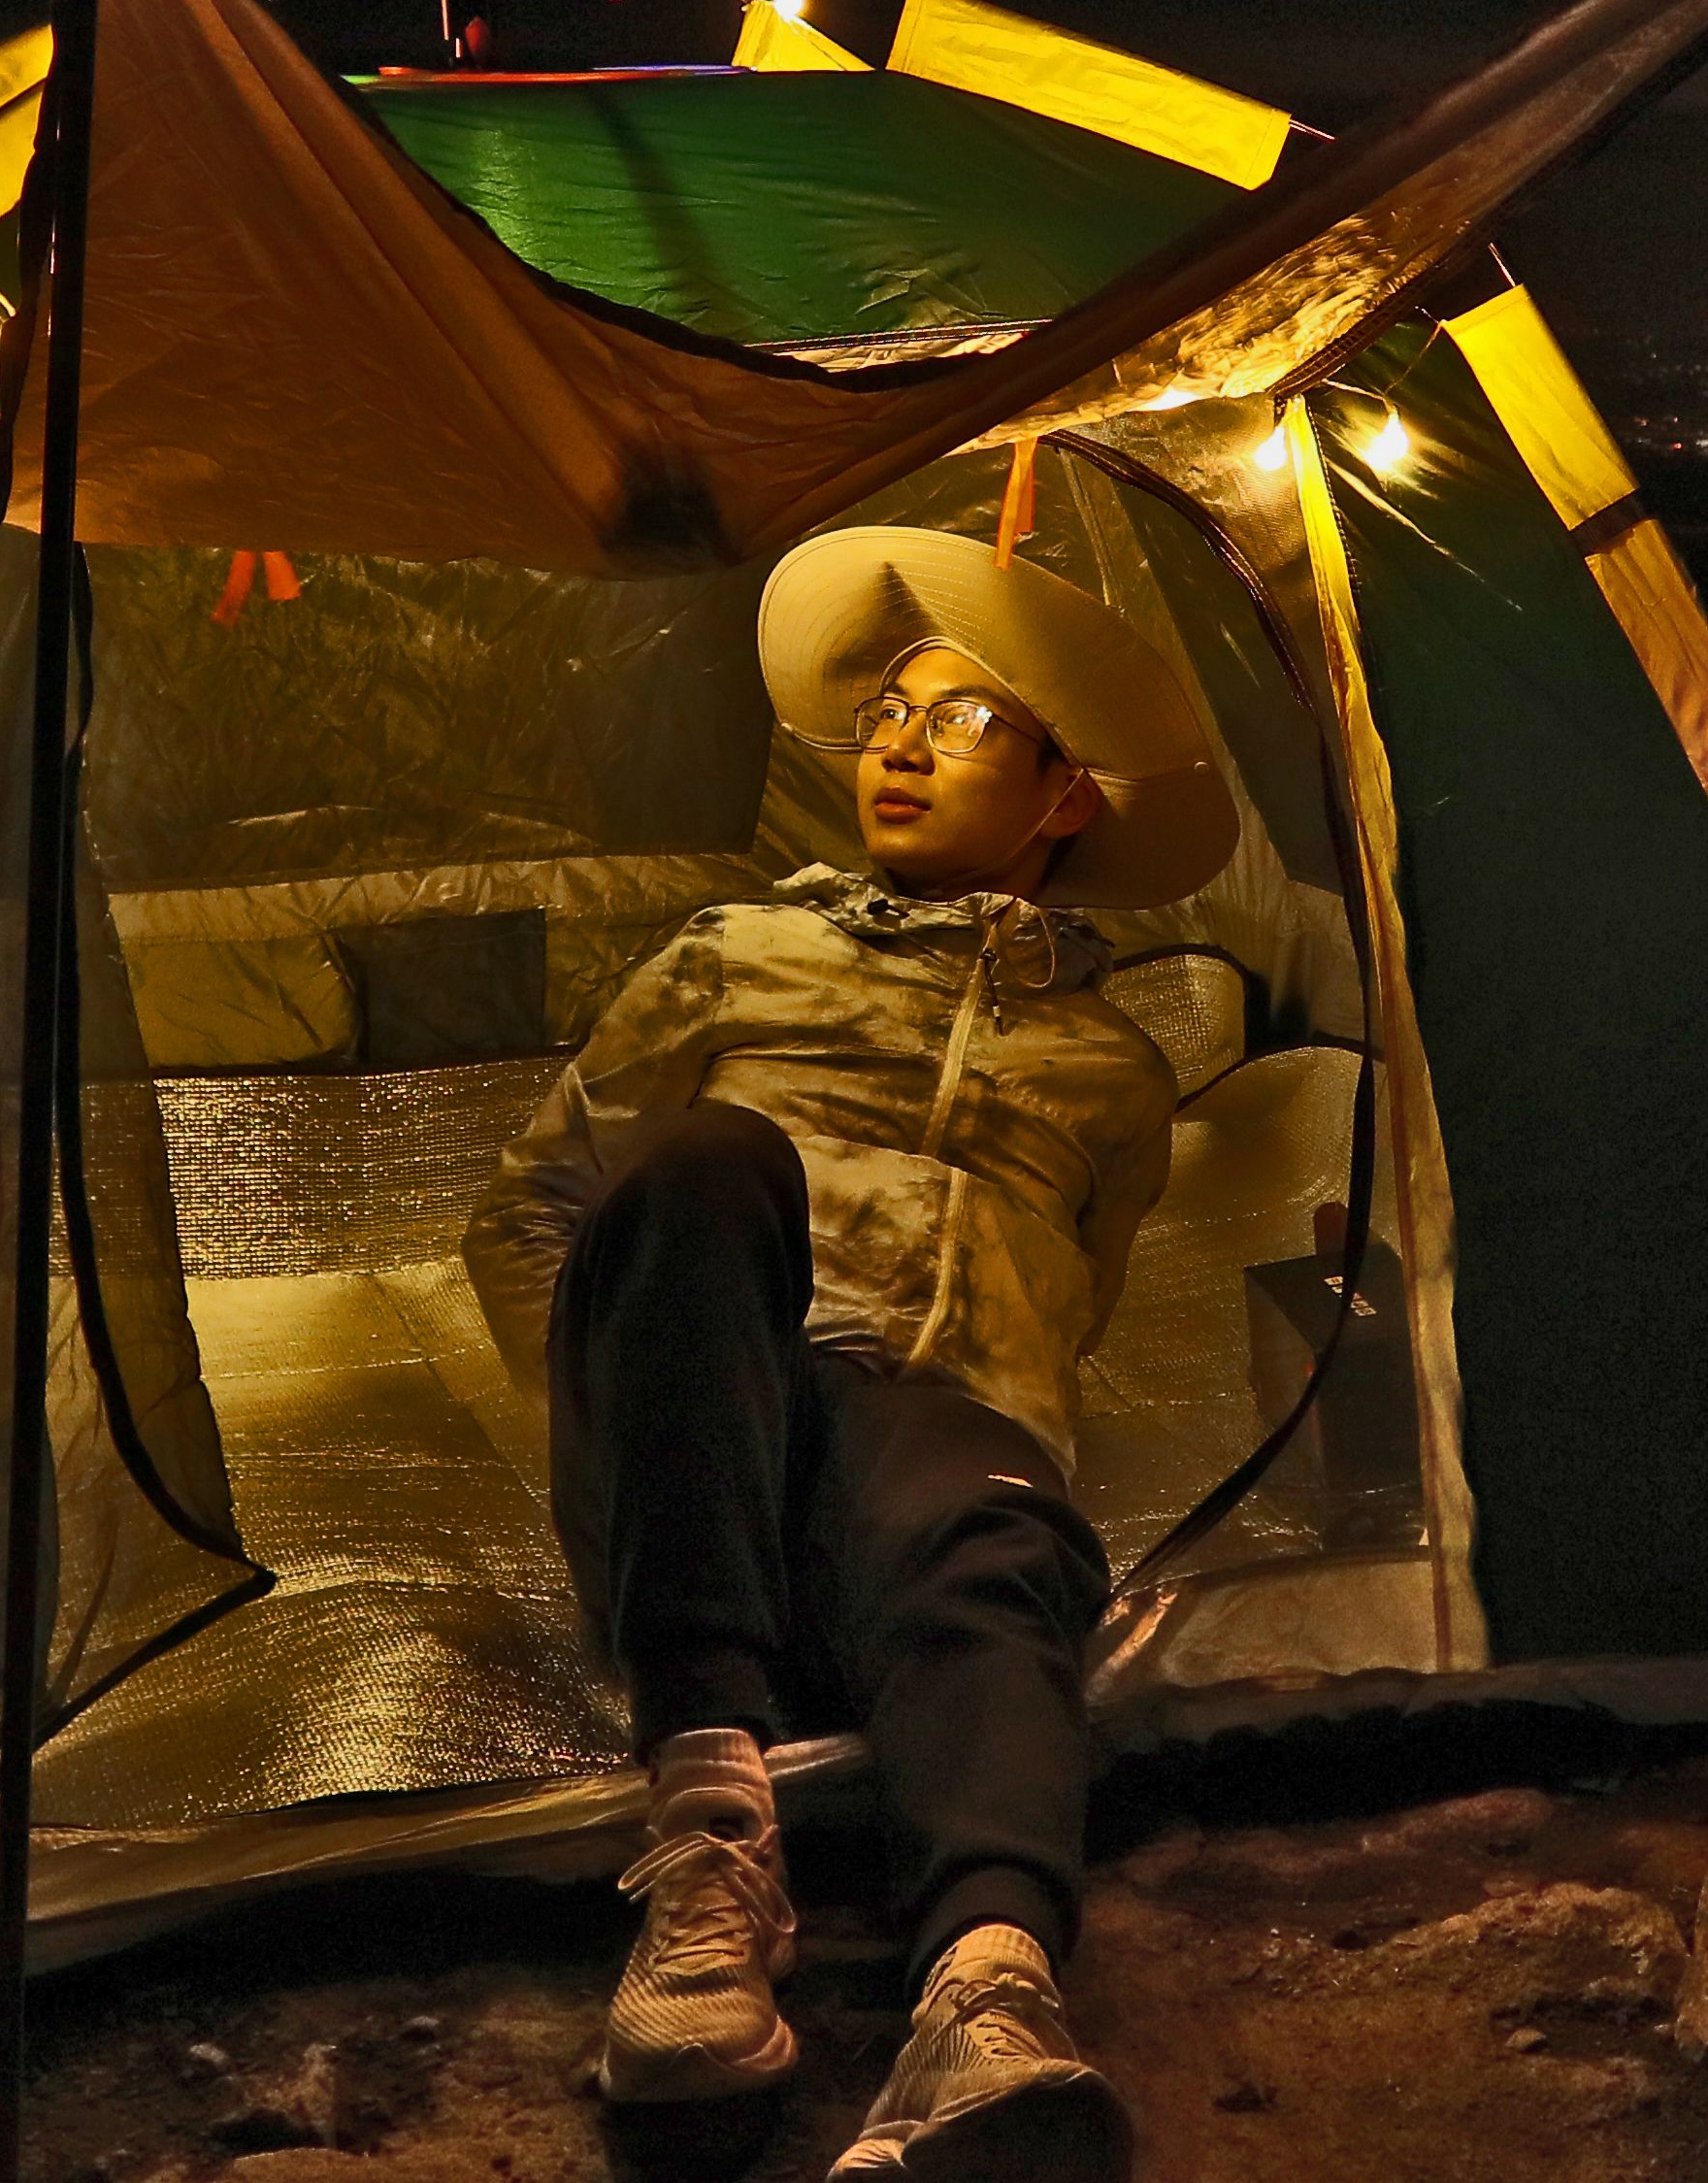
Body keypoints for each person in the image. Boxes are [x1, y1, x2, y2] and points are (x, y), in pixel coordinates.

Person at [462, 523, 1237, 2178]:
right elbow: (534, 1209)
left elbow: (1069, 1306)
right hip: (693, 1463)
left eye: (958, 721)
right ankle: (705, 1851)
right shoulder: (732, 956)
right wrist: (621, 1417)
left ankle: (987, 1995)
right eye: (888, 709)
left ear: (1066, 795)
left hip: (914, 1488)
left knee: (995, 1505)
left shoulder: (1110, 1070)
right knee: (712, 1164)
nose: (897, 739)